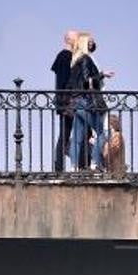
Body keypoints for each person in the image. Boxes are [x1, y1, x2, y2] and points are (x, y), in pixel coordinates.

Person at [67, 32, 108, 171]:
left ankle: (73, 167)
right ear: (85, 44)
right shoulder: (85, 59)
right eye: (89, 42)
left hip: (77, 102)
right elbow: (86, 81)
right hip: (85, 102)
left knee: (77, 136)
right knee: (102, 133)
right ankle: (95, 163)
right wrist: (102, 75)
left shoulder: (75, 61)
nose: (92, 44)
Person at [50, 30, 79, 172]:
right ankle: (59, 167)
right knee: (65, 134)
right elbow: (64, 81)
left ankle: (62, 166)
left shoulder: (66, 56)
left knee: (66, 134)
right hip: (67, 102)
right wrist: (67, 101)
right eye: (76, 38)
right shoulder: (65, 56)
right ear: (70, 40)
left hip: (66, 101)